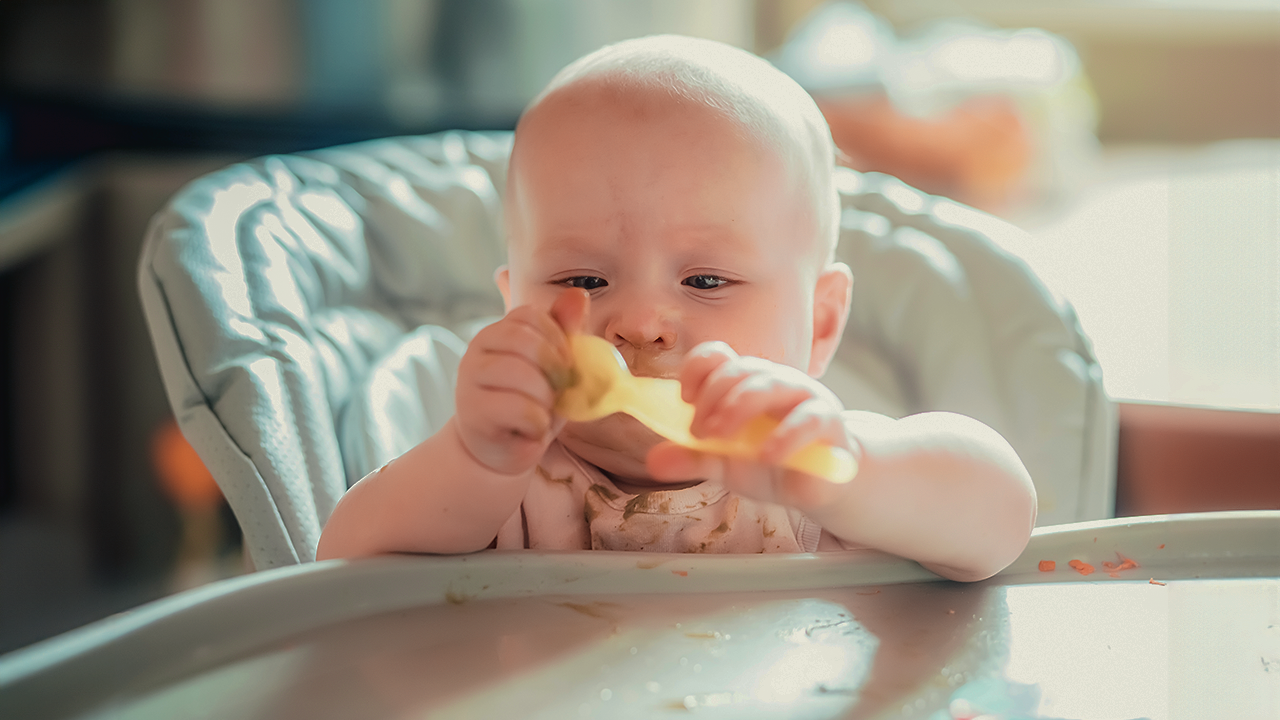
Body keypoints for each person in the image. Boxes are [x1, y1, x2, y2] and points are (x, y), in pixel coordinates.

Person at [317, 35, 1036, 581]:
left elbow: (1003, 520)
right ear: (513, 307)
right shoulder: (506, 490)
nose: (641, 322)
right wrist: (476, 456)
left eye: (706, 281)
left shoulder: (809, 471)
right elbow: (341, 566)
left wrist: (855, 468)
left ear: (818, 324)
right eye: (584, 280)